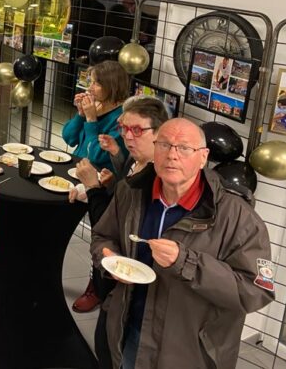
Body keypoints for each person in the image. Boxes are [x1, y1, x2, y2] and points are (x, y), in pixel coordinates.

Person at [91, 118, 275, 369]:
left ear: (203, 157)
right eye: (164, 145)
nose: (172, 155)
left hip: (190, 351)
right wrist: (108, 260)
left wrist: (186, 262)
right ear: (154, 150)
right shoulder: (130, 193)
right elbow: (102, 237)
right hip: (128, 332)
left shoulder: (239, 218)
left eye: (184, 148)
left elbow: (256, 291)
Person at [69, 96, 169, 369]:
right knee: (106, 343)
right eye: (125, 128)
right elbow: (112, 225)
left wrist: (92, 187)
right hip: (114, 278)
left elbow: (109, 224)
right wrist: (113, 172)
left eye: (137, 130)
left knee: (115, 349)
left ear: (161, 133)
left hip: (131, 286)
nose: (128, 136)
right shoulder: (134, 163)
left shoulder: (161, 180)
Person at [62, 59, 130, 313]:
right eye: (90, 80)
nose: (90, 87)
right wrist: (81, 115)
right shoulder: (96, 107)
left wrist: (91, 120)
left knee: (100, 239)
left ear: (111, 86)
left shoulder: (119, 118)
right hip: (79, 178)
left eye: (96, 82)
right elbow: (68, 137)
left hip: (104, 188)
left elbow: (95, 156)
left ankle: (96, 288)